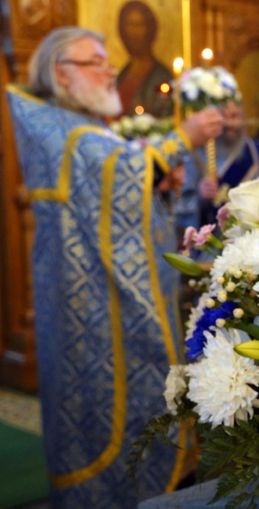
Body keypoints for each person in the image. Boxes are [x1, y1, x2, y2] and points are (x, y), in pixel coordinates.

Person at [6, 27, 223, 508]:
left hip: (103, 296)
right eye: (96, 61)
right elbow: (117, 172)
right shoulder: (62, 130)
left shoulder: (79, 124)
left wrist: (157, 185)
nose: (109, 71)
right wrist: (182, 139)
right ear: (62, 73)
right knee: (99, 413)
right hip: (91, 309)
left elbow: (116, 195)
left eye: (108, 60)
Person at [177, 99, 259, 231]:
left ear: (243, 117)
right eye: (223, 116)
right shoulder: (196, 154)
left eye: (234, 116)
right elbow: (179, 207)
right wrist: (200, 195)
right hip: (210, 238)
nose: (229, 123)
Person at [116, 0, 174, 117]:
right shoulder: (122, 74)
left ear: (150, 29)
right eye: (129, 25)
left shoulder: (161, 75)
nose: (134, 33)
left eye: (139, 25)